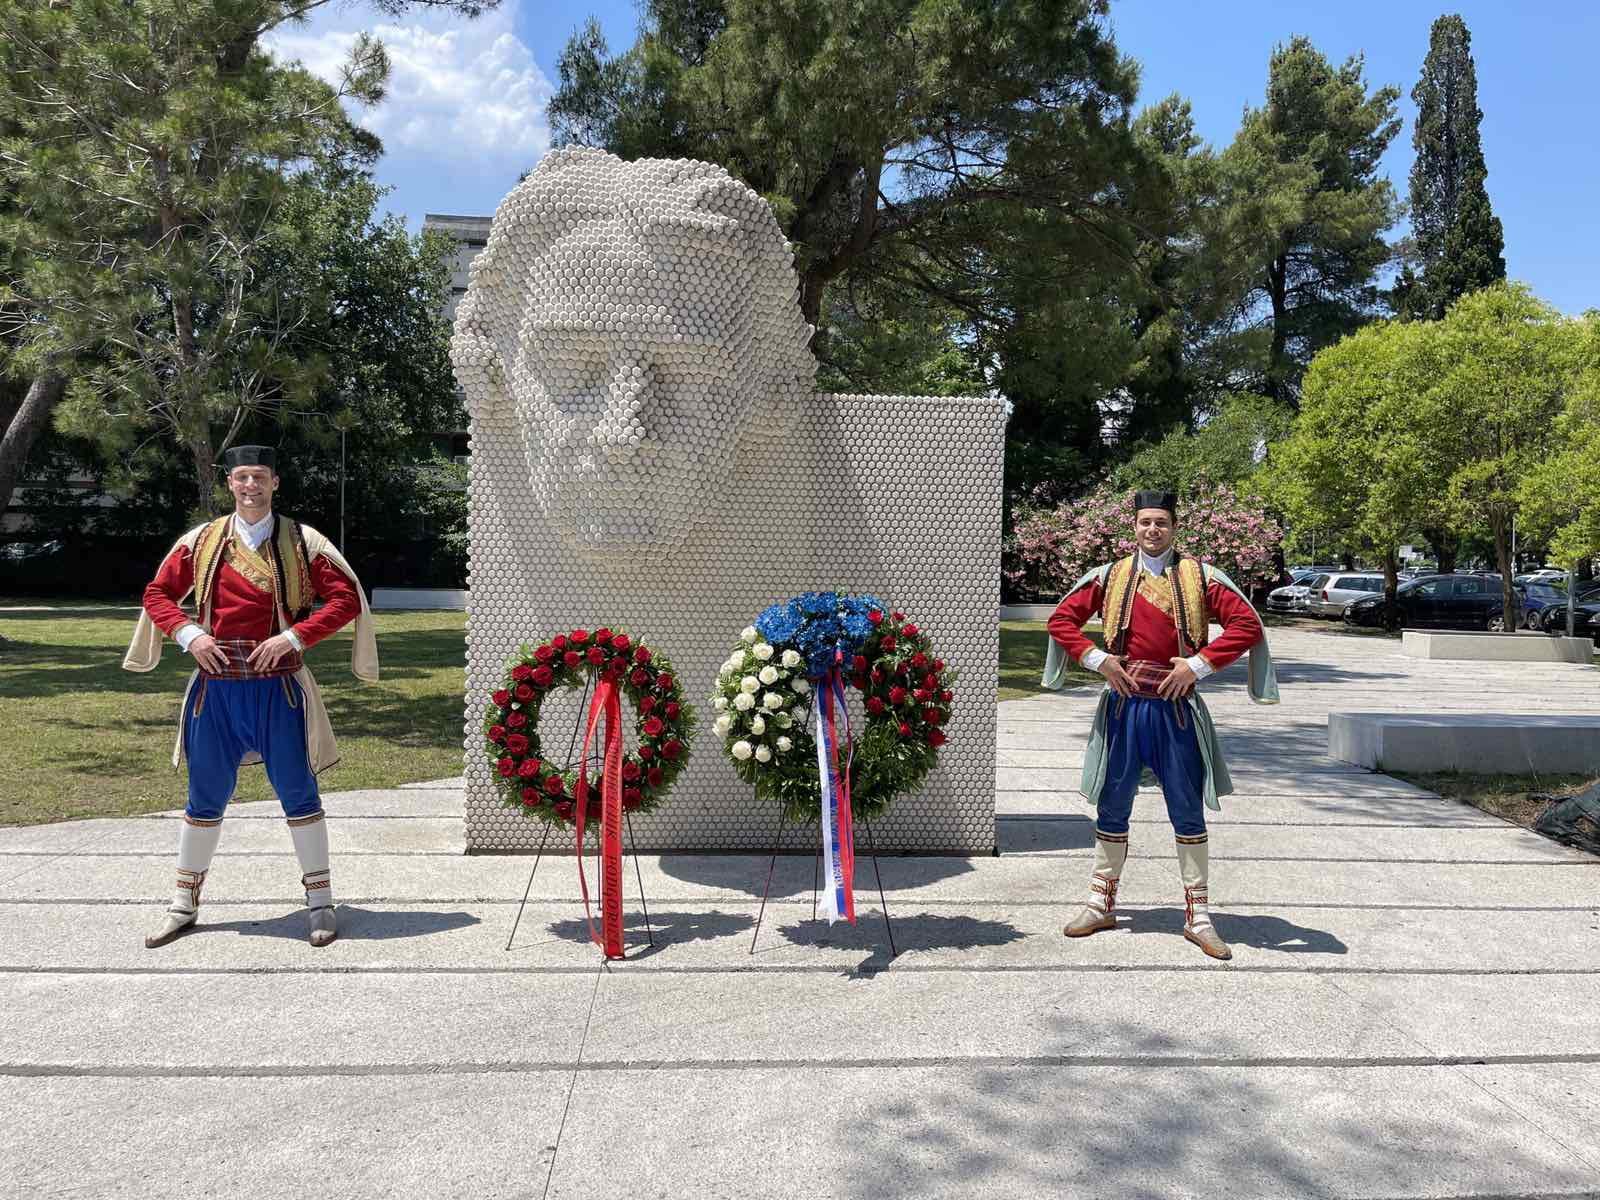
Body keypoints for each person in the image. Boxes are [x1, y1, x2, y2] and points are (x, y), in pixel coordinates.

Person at [124, 445, 378, 948]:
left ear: (275, 483)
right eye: (242, 478)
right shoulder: (201, 540)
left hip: (279, 688)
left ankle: (320, 903)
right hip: (215, 690)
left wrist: (293, 637)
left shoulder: (304, 542)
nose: (250, 486)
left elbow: (347, 598)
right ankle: (183, 904)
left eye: (259, 477)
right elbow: (157, 593)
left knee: (298, 793)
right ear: (230, 483)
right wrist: (189, 635)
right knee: (203, 797)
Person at [1043, 490, 1277, 960]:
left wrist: (1198, 665)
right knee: (1113, 803)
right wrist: (1098, 659)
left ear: (1175, 528)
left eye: (1162, 523)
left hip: (1176, 711)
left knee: (1186, 808)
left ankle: (1199, 916)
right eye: (1146, 522)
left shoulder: (1201, 577)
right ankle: (1100, 902)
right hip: (1123, 709)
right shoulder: (1109, 577)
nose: (1153, 530)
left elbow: (1247, 626)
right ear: (1134, 526)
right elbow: (1061, 620)